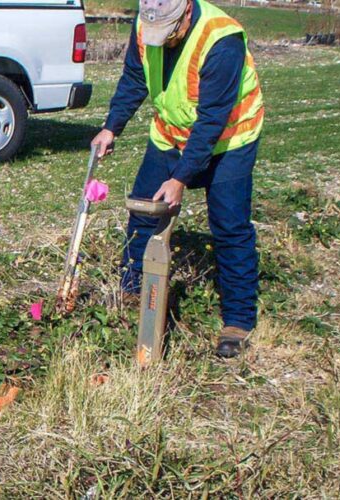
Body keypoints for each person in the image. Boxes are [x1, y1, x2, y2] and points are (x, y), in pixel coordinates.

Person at [90, 0, 264, 358]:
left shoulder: (221, 40)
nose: (163, 41)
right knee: (143, 213)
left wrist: (181, 178)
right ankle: (133, 294)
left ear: (186, 10)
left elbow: (212, 119)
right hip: (170, 134)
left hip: (229, 140)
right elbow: (135, 79)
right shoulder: (146, 22)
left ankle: (238, 321)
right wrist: (111, 127)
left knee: (229, 226)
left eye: (169, 34)